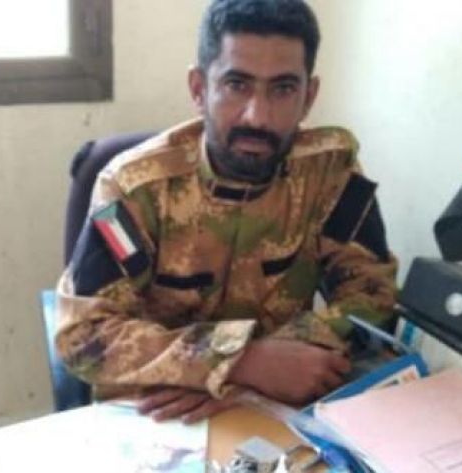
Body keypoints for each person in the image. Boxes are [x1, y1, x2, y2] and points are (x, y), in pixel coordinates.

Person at [56, 0, 397, 424]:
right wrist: (239, 362)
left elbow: (373, 296)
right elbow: (85, 337)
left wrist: (271, 369)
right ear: (199, 89)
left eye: (283, 89)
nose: (258, 116)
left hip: (278, 406)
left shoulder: (331, 172)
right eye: (237, 85)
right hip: (161, 414)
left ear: (308, 97)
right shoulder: (133, 187)